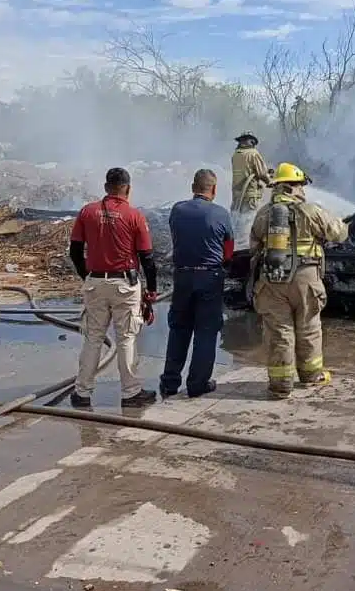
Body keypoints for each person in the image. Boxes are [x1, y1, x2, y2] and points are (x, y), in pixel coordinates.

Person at [249, 162, 349, 399]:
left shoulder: (264, 213)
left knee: (279, 332)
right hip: (306, 278)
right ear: (293, 186)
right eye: (301, 186)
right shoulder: (311, 211)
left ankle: (281, 386)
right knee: (309, 327)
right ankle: (311, 375)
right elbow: (340, 233)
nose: (303, 190)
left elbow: (254, 245)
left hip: (273, 280)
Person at [67, 167, 158, 409]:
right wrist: (151, 290)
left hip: (95, 283)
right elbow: (147, 258)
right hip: (125, 286)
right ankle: (131, 393)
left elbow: (75, 251)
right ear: (127, 188)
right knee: (126, 339)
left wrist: (87, 276)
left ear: (107, 187)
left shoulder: (87, 212)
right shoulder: (134, 215)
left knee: (93, 339)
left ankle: (82, 392)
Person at [159, 168, 234, 399]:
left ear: (193, 188)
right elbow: (228, 251)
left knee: (179, 328)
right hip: (210, 278)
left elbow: (177, 237)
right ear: (214, 189)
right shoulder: (221, 213)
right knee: (206, 331)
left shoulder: (178, 210)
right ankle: (197, 383)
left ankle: (170, 382)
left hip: (182, 276)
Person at [231, 131, 271, 218]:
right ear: (252, 141)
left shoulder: (235, 155)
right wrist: (271, 182)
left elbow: (247, 170)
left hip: (237, 197)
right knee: (248, 222)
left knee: (237, 221)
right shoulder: (253, 153)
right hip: (250, 197)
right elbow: (262, 173)